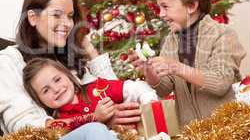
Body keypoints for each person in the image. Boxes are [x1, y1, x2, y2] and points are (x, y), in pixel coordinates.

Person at [0, 0, 140, 137]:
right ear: (33, 18)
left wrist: (88, 47)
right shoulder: (8, 62)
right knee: (95, 130)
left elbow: (111, 94)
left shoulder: (67, 58)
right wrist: (95, 119)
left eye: (70, 16)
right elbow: (26, 129)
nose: (67, 24)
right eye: (56, 15)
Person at [129, 0, 246, 126]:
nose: (161, 14)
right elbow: (164, 88)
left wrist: (176, 67)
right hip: (192, 132)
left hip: (230, 128)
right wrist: (149, 71)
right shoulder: (171, 41)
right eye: (159, 7)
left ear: (191, 6)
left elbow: (220, 82)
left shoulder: (224, 35)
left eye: (165, 6)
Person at [22, 57, 157, 129]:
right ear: (39, 100)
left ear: (67, 75)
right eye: (46, 90)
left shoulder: (96, 90)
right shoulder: (60, 122)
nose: (56, 89)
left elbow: (134, 87)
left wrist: (149, 103)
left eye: (57, 80)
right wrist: (96, 118)